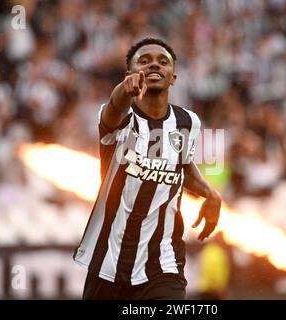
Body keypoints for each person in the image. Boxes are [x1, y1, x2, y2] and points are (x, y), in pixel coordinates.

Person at [73, 38, 222, 300]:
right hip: (109, 260)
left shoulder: (188, 122)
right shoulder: (118, 118)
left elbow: (182, 165)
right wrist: (123, 90)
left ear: (173, 77)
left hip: (163, 262)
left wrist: (210, 192)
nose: (154, 64)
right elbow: (115, 107)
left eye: (162, 62)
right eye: (144, 61)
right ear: (130, 75)